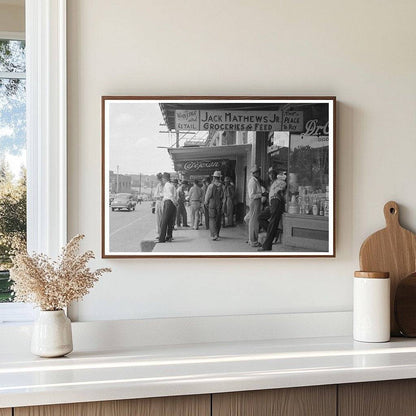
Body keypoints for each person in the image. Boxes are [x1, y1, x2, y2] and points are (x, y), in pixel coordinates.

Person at [258, 170, 286, 251]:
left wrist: (278, 191)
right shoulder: (272, 183)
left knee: (272, 223)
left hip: (277, 202)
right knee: (260, 217)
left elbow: (282, 187)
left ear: (276, 175)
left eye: (272, 174)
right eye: (270, 174)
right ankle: (275, 232)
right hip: (272, 204)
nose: (271, 176)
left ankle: (266, 246)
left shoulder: (279, 181)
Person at [204, 171, 224, 241]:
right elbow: (223, 196)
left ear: (214, 177)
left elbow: (207, 196)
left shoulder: (211, 186)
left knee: (212, 219)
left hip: (212, 203)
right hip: (219, 204)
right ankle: (217, 233)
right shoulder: (222, 186)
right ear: (219, 177)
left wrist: (206, 202)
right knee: (218, 219)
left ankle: (213, 235)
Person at [158, 173, 177, 243]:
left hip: (168, 202)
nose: (162, 180)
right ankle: (169, 236)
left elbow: (170, 195)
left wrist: (174, 202)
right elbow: (174, 195)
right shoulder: (172, 185)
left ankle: (161, 239)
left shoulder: (167, 185)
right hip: (171, 203)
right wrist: (175, 203)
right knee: (170, 221)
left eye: (163, 178)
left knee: (164, 221)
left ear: (165, 178)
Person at [247, 165, 263, 247]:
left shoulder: (255, 180)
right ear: (254, 173)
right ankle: (253, 241)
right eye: (257, 172)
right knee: (254, 222)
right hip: (255, 201)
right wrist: (261, 194)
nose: (259, 173)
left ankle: (251, 239)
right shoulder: (253, 181)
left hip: (256, 201)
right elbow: (251, 195)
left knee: (252, 220)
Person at [154, 172, 164, 238]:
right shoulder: (159, 185)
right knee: (158, 219)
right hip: (159, 202)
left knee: (162, 218)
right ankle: (160, 233)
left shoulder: (164, 185)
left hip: (162, 202)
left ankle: (162, 233)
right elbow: (155, 195)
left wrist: (160, 196)